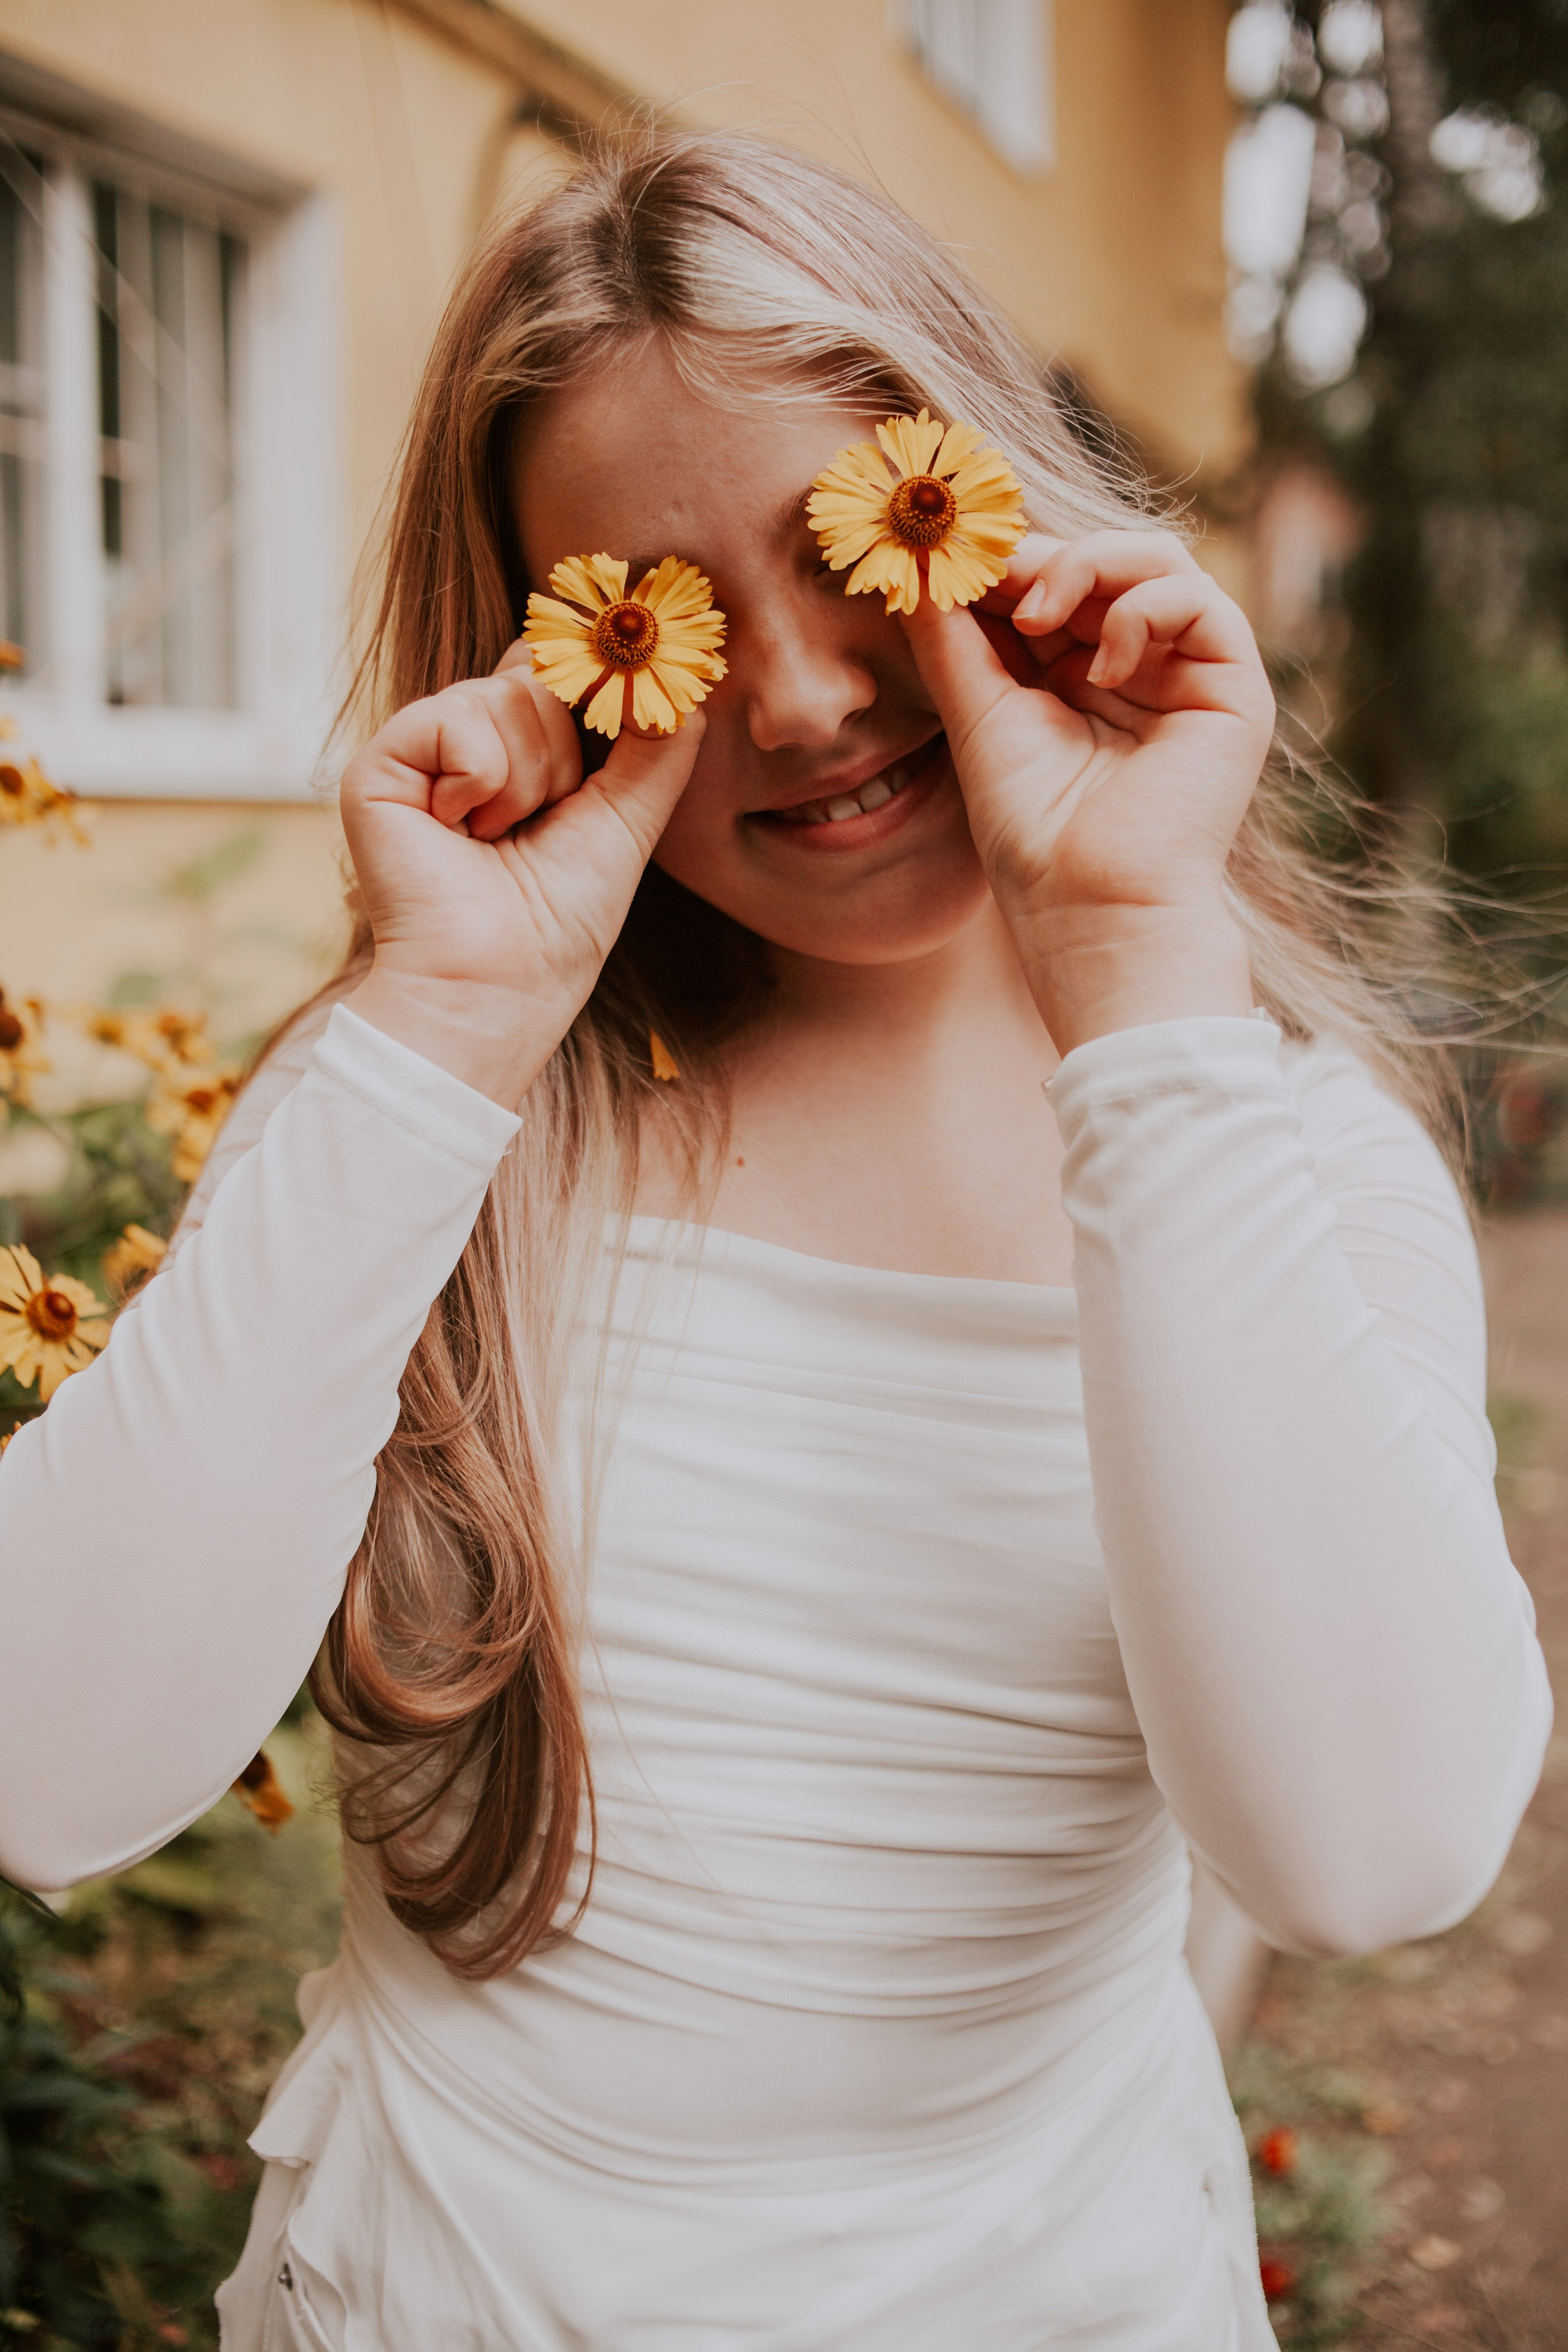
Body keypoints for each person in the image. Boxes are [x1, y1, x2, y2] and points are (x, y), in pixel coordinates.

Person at [0, 132, 1551, 2351]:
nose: (808, 700)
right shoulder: (437, 1107)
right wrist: (444, 1029)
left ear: (1002, 517)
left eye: (864, 551)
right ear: (553, 663)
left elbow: (1371, 1851)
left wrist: (1135, 969)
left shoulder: (1264, 1143)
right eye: (672, 620)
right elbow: (42, 1761)